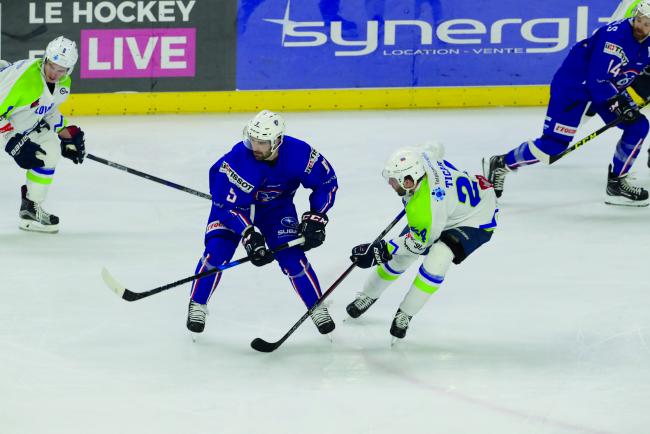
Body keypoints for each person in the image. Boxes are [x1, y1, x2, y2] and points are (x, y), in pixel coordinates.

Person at [186, 110, 339, 337]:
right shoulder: (238, 158)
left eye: (262, 142)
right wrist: (248, 234)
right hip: (234, 208)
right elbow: (226, 206)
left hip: (276, 209)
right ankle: (197, 304)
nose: (255, 146)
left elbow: (327, 182)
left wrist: (317, 216)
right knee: (217, 252)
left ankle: (317, 306)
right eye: (253, 140)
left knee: (293, 257)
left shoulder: (300, 154)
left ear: (277, 141)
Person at [483, 2, 650, 207]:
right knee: (552, 147)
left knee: (638, 126)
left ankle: (616, 184)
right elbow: (597, 81)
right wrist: (618, 104)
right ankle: (501, 163)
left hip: (609, 89)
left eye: (647, 23)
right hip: (575, 89)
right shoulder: (614, 39)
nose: (640, 26)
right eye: (639, 19)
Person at [346, 144, 498, 342]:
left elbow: (419, 243)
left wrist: (380, 251)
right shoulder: (422, 160)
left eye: (394, 180)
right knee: (401, 257)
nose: (390, 183)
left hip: (476, 219)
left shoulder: (426, 210)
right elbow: (435, 147)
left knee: (438, 258)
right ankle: (368, 294)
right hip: (450, 207)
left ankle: (405, 313)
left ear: (408, 181)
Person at [1, 36, 86, 233]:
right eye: (51, 66)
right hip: (5, 127)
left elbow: (47, 109)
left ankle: (30, 209)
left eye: (61, 70)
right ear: (46, 59)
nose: (54, 74)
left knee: (49, 153)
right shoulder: (24, 80)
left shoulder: (63, 84)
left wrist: (64, 132)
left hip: (22, 127)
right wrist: (10, 139)